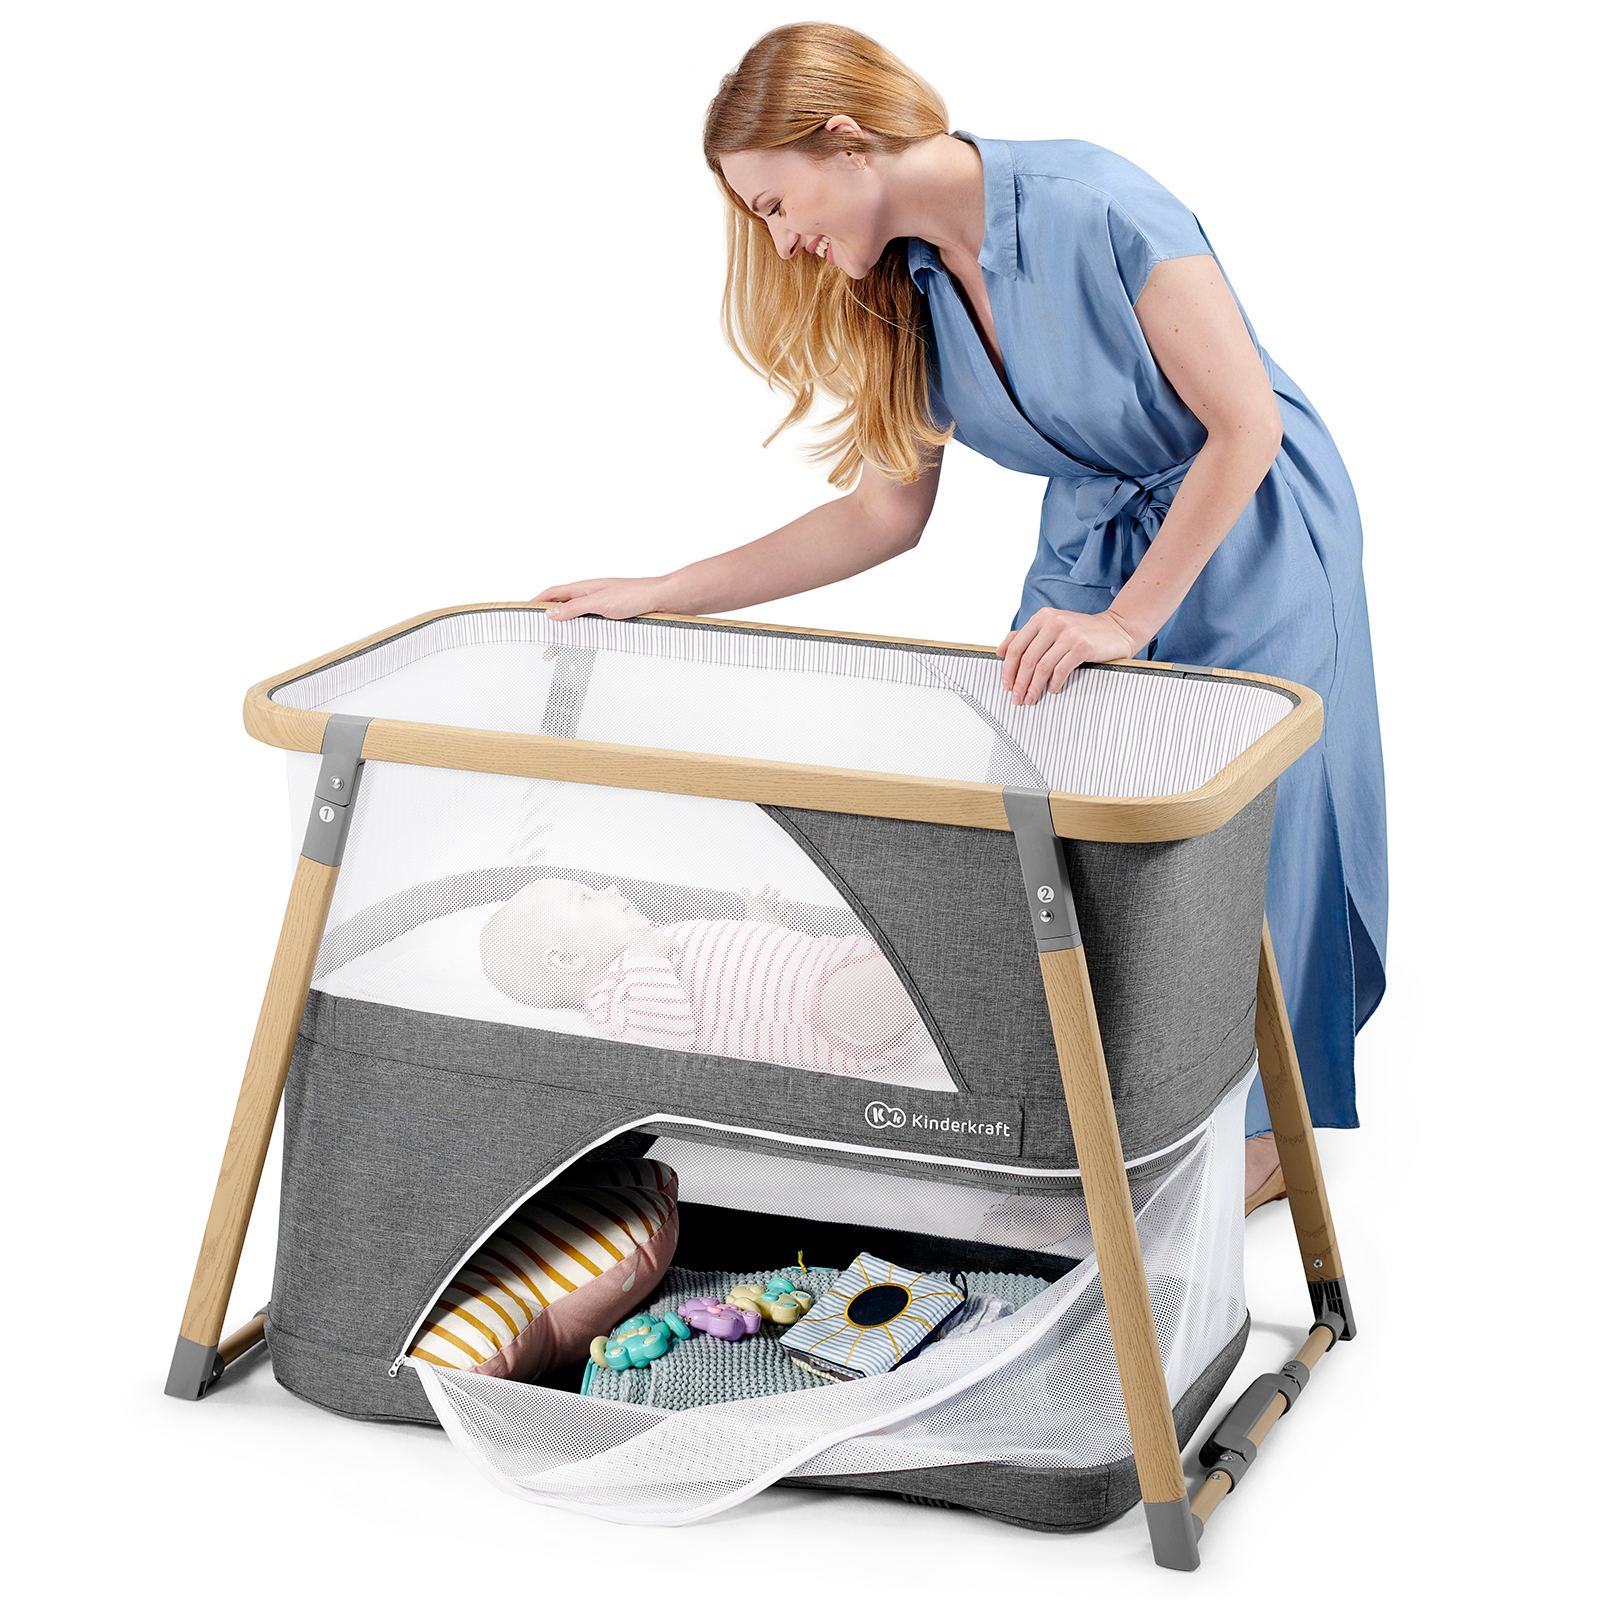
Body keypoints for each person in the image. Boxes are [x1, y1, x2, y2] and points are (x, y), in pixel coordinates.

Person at [534, 23, 1387, 1212]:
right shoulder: (902, 288)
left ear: (846, 141)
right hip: (1094, 541)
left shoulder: (1100, 206)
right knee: (1036, 812)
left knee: (1254, 825)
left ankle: (1261, 1136)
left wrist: (1125, 621)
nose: (779, 240)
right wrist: (665, 588)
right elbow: (881, 517)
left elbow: (1245, 425)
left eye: (775, 204)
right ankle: (1080, 1091)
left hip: (1250, 525)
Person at [481, 877, 933, 1080]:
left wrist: (764, 927)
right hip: (824, 1012)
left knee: (914, 966)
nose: (611, 890)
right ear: (565, 959)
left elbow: (744, 965)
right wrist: (645, 958)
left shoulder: (646, 949)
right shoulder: (613, 1000)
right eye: (586, 899)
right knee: (923, 972)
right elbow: (673, 1033)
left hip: (824, 961)